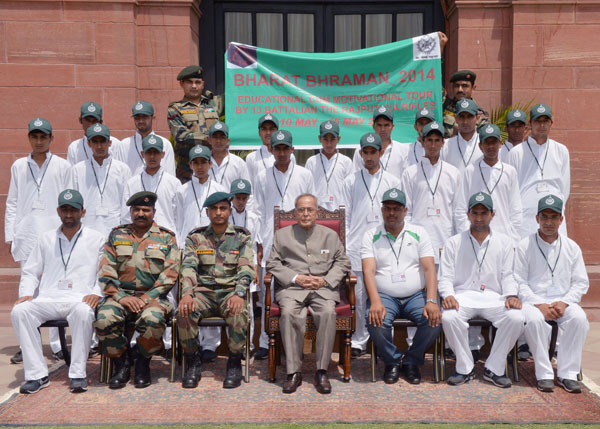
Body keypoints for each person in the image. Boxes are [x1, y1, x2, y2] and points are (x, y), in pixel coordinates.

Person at [11, 189, 104, 394]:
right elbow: (30, 270)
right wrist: (26, 293)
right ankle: (37, 375)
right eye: (64, 210)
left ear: (83, 211)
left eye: (73, 210)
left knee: (83, 312)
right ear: (58, 211)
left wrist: (97, 293)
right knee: (20, 311)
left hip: (80, 298)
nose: (69, 215)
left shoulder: (97, 239)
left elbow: (104, 273)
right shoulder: (45, 238)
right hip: (48, 298)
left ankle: (78, 374)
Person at [266, 194, 351, 394]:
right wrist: (295, 278)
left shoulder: (329, 235)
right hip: (292, 288)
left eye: (309, 210)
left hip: (322, 287)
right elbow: (272, 263)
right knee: (288, 314)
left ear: (317, 212)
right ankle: (293, 372)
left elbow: (343, 262)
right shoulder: (282, 235)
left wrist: (326, 280)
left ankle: (321, 371)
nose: (305, 214)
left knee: (328, 313)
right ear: (295, 212)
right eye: (301, 210)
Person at [94, 191, 180, 389]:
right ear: (131, 212)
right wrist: (122, 297)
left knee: (153, 319)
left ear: (153, 212)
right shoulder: (117, 235)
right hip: (120, 296)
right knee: (104, 318)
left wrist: (147, 298)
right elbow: (106, 272)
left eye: (146, 210)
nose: (141, 213)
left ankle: (142, 362)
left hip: (155, 296)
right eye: (137, 210)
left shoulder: (167, 238)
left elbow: (170, 274)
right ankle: (122, 363)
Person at [439, 192, 525, 388]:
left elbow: (508, 275)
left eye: (483, 213)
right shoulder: (453, 242)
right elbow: (445, 277)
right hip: (462, 296)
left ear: (492, 214)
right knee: (449, 317)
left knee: (517, 318)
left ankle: (494, 368)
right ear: (468, 214)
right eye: (475, 213)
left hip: (494, 298)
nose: (479, 218)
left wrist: (511, 295)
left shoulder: (504, 242)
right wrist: (449, 295)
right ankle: (464, 367)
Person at [5, 118, 71, 364]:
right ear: (29, 138)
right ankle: (28, 344)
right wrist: (10, 235)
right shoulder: (19, 166)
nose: (39, 141)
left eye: (44, 137)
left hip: (54, 235)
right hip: (27, 235)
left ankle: (56, 344)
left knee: (53, 290)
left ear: (51, 138)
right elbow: (12, 201)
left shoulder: (62, 166)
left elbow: (69, 201)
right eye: (35, 136)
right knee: (28, 290)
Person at [361, 188, 441, 384]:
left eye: (396, 209)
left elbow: (430, 269)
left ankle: (412, 361)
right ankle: (393, 361)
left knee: (434, 320)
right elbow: (368, 272)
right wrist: (375, 301)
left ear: (405, 211)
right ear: (381, 210)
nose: (391, 213)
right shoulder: (371, 234)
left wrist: (431, 300)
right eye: (387, 208)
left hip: (415, 295)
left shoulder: (419, 233)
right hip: (385, 295)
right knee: (375, 320)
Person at [177, 192, 254, 389]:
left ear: (229, 211)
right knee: (184, 311)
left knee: (238, 312)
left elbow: (245, 268)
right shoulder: (196, 237)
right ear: (207, 212)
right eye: (214, 209)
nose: (218, 213)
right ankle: (193, 363)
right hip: (203, 293)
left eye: (223, 208)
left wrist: (239, 294)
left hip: (229, 291)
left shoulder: (241, 237)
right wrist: (187, 293)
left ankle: (234, 363)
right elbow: (189, 267)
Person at [515, 195, 589, 393]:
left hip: (563, 302)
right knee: (533, 320)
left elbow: (581, 282)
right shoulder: (524, 246)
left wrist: (564, 302)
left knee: (579, 318)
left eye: (553, 217)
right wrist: (540, 305)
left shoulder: (572, 247)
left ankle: (567, 374)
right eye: (544, 217)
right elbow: (519, 282)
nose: (549, 222)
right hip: (534, 303)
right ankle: (544, 374)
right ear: (537, 218)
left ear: (561, 220)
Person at [254, 129, 315, 360]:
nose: (281, 153)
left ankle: (299, 341)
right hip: (270, 236)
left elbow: (310, 208)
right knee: (266, 290)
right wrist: (258, 241)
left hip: (298, 238)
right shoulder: (262, 175)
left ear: (292, 149)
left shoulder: (304, 174)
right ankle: (264, 341)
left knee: (297, 287)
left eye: (284, 148)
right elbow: (257, 210)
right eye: (276, 148)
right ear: (271, 150)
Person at [342, 132, 401, 357]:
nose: (369, 156)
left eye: (373, 152)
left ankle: (383, 339)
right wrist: (345, 246)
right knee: (358, 295)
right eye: (365, 152)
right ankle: (359, 340)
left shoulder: (393, 181)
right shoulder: (350, 180)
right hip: (357, 245)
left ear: (381, 152)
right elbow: (344, 215)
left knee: (386, 293)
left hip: (385, 244)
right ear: (360, 153)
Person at [175, 145, 226, 362]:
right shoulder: (182, 190)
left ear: (210, 163)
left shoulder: (219, 188)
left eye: (204, 162)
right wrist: (179, 246)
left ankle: (210, 345)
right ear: (191, 165)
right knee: (189, 292)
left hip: (213, 247)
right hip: (188, 247)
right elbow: (178, 219)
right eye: (196, 163)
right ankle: (191, 343)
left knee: (211, 288)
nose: (200, 166)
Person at [401, 122, 460, 265]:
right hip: (417, 239)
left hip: (445, 237)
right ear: (422, 142)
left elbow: (458, 211)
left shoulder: (453, 173)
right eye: (429, 140)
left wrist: (458, 240)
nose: (433, 145)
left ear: (443, 143)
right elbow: (406, 212)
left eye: (437, 140)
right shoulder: (410, 173)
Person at [508, 104, 570, 237]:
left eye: (545, 121)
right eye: (538, 121)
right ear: (530, 123)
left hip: (554, 215)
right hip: (526, 218)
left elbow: (565, 188)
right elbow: (511, 190)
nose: (542, 125)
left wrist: (559, 209)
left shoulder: (561, 150)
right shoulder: (516, 153)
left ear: (551, 123)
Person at [454, 124, 522, 243]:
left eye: (494, 142)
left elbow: (515, 209)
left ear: (500, 144)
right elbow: (461, 207)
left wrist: (513, 239)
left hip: (504, 237)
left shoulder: (510, 172)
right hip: (475, 236)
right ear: (480, 146)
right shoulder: (470, 171)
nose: (491, 146)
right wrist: (467, 236)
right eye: (487, 143)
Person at [70, 123, 131, 238]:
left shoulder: (122, 169)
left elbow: (127, 204)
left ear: (110, 143)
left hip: (115, 229)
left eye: (102, 141)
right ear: (89, 144)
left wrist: (125, 231)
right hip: (87, 230)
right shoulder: (78, 170)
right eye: (95, 142)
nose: (99, 146)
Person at [168, 65, 222, 182]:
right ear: (181, 84)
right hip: (188, 170)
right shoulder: (175, 108)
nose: (194, 86)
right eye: (189, 82)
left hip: (214, 166)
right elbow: (180, 135)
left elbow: (238, 96)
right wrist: (208, 139)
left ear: (202, 84)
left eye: (197, 82)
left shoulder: (215, 103)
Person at [122, 134, 182, 234]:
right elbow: (125, 216)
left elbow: (179, 217)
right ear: (142, 154)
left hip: (166, 236)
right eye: (148, 152)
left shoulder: (174, 183)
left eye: (156, 152)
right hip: (139, 237)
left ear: (163, 154)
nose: (152, 156)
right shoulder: (132, 183)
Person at [229, 179, 260, 358]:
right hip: (229, 267)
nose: (240, 201)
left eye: (244, 198)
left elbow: (257, 248)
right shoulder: (225, 216)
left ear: (248, 198)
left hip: (248, 266)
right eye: (237, 197)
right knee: (231, 306)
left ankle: (247, 345)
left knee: (247, 306)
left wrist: (255, 269)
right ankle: (235, 346)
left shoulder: (254, 218)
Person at [115, 101, 176, 176]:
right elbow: (120, 175)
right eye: (137, 117)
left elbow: (170, 175)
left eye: (144, 116)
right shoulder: (124, 145)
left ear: (153, 117)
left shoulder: (165, 144)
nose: (141, 121)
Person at [304, 120, 353, 211]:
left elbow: (349, 190)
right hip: (316, 213)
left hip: (339, 212)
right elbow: (307, 190)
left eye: (332, 139)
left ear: (338, 139)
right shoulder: (311, 162)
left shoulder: (346, 162)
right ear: (319, 139)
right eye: (325, 139)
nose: (329, 144)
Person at [352, 105, 409, 179]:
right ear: (373, 126)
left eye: (386, 125)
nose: (382, 129)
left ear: (392, 126)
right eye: (379, 125)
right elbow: (356, 177)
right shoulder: (361, 150)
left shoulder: (403, 150)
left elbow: (406, 178)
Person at [245, 114, 296, 188]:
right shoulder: (251, 157)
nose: (268, 133)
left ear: (277, 132)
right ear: (259, 132)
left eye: (272, 129)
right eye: (264, 129)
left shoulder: (289, 156)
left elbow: (292, 180)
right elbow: (249, 185)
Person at [442, 70, 489, 138]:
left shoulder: (479, 115)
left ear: (473, 88)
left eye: (465, 86)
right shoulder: (443, 106)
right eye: (457, 86)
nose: (460, 90)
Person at [207, 121, 251, 189]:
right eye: (215, 137)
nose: (218, 141)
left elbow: (248, 191)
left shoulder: (238, 163)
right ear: (209, 140)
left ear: (228, 141)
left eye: (222, 137)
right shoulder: (203, 162)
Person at [442, 98, 483, 171]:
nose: (465, 121)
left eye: (470, 116)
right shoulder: (446, 146)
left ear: (477, 118)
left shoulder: (484, 144)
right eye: (461, 116)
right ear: (456, 118)